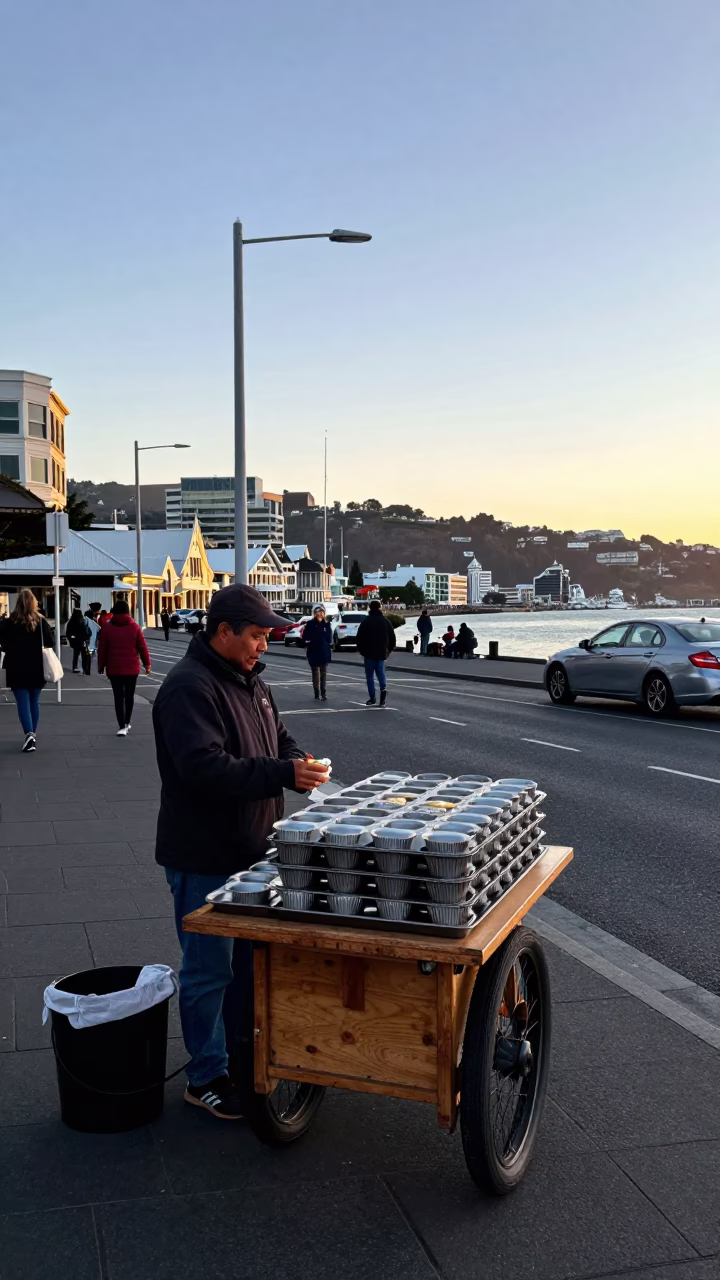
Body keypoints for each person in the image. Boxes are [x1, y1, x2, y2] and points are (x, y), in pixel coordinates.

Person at [152, 582, 330, 1119]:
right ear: (223, 632)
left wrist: (299, 763)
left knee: (250, 966)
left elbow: (280, 738)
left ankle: (241, 1054)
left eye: (267, 637)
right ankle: (204, 1076)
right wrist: (281, 772)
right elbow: (203, 770)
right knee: (208, 970)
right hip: (203, 855)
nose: (264, 646)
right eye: (256, 636)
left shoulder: (253, 683)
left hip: (253, 852)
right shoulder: (188, 688)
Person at [0, 589, 55, 752]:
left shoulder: (8, 623)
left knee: (22, 702)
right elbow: (50, 642)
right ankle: (32, 735)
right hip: (37, 666)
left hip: (15, 667)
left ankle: (29, 734)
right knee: (34, 701)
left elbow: (2, 640)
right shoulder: (41, 621)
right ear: (34, 603)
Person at [97, 600, 151, 736]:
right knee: (129, 696)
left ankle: (121, 726)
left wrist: (101, 665)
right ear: (128, 611)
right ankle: (127, 722)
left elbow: (102, 649)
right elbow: (142, 646)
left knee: (118, 697)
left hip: (114, 669)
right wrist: (147, 664)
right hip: (132, 668)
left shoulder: (107, 628)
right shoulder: (135, 627)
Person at [356, 599, 396, 706]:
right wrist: (388, 651)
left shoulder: (366, 621)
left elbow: (359, 638)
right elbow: (392, 638)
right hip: (382, 653)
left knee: (370, 676)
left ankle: (372, 697)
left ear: (370, 608)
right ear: (380, 608)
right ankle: (383, 696)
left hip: (369, 654)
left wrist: (362, 651)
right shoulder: (386, 621)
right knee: (381, 675)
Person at [302, 604, 333, 700]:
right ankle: (317, 692)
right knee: (316, 672)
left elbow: (329, 639)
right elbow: (305, 638)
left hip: (324, 652)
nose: (320, 614)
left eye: (321, 612)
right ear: (314, 614)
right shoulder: (310, 624)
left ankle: (323, 692)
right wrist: (309, 643)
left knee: (323, 673)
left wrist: (327, 626)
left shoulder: (326, 624)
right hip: (313, 652)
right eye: (317, 612)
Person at [66, 607, 90, 673]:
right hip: (82, 641)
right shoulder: (82, 620)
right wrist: (86, 638)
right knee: (84, 655)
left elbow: (68, 632)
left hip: (75, 641)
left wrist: (70, 639)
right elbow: (85, 631)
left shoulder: (71, 621)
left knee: (76, 655)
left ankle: (74, 667)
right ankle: (85, 669)